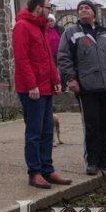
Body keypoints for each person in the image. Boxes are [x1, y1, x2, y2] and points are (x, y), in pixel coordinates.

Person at [56, 0, 106, 175]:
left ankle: (104, 159)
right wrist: (71, 79)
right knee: (92, 124)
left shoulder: (105, 34)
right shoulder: (71, 32)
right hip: (86, 86)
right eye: (80, 8)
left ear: (94, 12)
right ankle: (92, 161)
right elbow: (64, 57)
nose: (83, 10)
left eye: (87, 8)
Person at [13, 0, 71, 190]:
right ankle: (35, 172)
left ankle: (48, 169)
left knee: (47, 130)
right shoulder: (22, 26)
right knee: (34, 132)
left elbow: (48, 57)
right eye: (48, 7)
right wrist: (31, 85)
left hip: (45, 87)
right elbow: (22, 59)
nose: (50, 11)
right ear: (38, 7)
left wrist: (56, 80)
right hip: (32, 89)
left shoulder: (42, 27)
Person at [46, 13, 64, 145]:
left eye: (52, 20)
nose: (50, 22)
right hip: (49, 58)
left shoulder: (60, 30)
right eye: (48, 20)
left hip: (59, 57)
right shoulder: (43, 31)